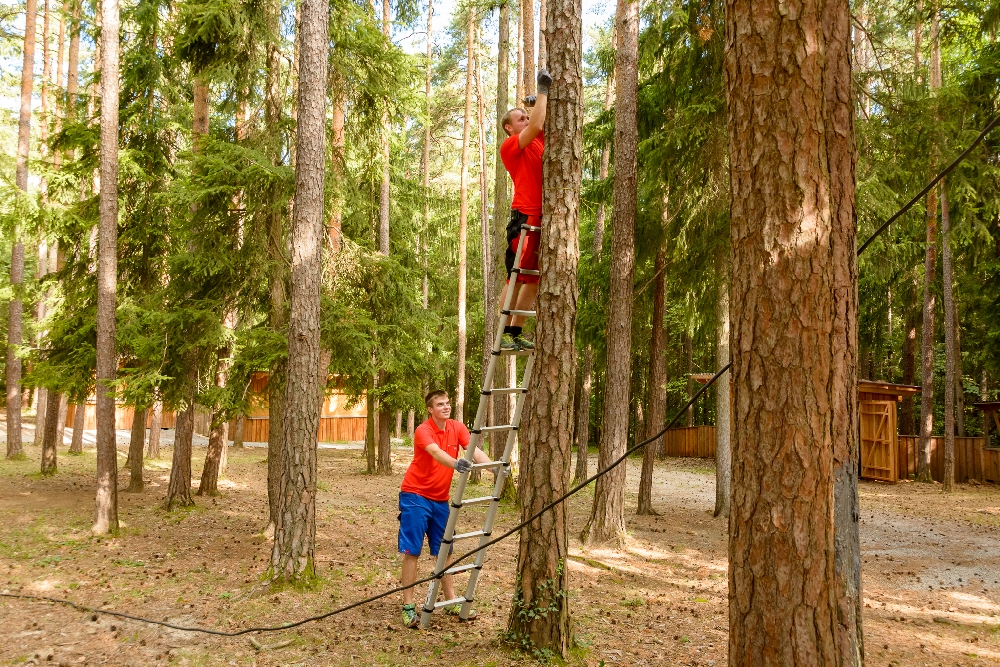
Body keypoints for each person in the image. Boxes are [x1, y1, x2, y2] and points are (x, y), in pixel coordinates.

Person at [398, 390, 494, 628]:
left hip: (440, 499)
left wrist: (495, 468)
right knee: (412, 551)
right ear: (430, 409)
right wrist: (456, 463)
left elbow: (474, 451)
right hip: (415, 495)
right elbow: (435, 452)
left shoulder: (457, 427)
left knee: (445, 550)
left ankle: (450, 601)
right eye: (440, 404)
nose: (446, 407)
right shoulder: (423, 430)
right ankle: (408, 606)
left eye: (448, 403)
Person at [497, 69, 553, 351]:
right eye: (520, 118)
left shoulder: (538, 140)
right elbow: (537, 123)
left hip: (544, 217)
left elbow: (546, 121)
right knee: (515, 277)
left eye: (526, 116)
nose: (527, 120)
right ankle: (503, 333)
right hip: (524, 216)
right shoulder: (510, 146)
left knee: (533, 280)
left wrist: (538, 104)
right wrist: (542, 91)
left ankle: (516, 332)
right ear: (510, 128)